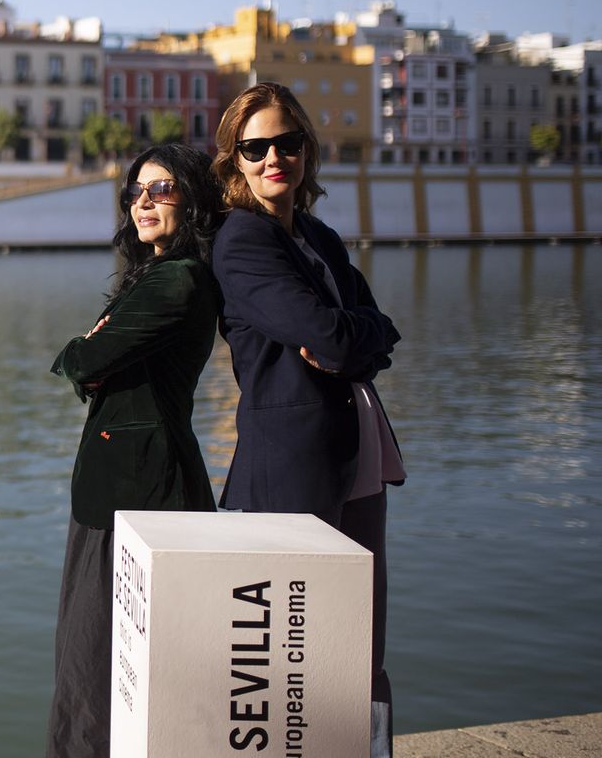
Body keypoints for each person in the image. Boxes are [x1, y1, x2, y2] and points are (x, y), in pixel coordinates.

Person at [209, 81, 406, 757]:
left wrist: (357, 337)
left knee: (363, 639)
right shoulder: (241, 241)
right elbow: (331, 335)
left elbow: (374, 332)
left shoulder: (317, 235)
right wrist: (353, 337)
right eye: (255, 147)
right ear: (235, 159)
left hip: (357, 451)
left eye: (287, 143)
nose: (274, 158)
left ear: (306, 151)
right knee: (301, 653)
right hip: (292, 466)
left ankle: (370, 750)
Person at [45, 143, 224, 758]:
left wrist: (83, 351)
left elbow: (83, 360)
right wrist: (93, 356)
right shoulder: (155, 275)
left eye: (161, 189)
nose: (143, 202)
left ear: (191, 200)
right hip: (126, 488)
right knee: (100, 663)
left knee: (96, 666)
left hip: (138, 494)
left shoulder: (178, 278)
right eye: (136, 192)